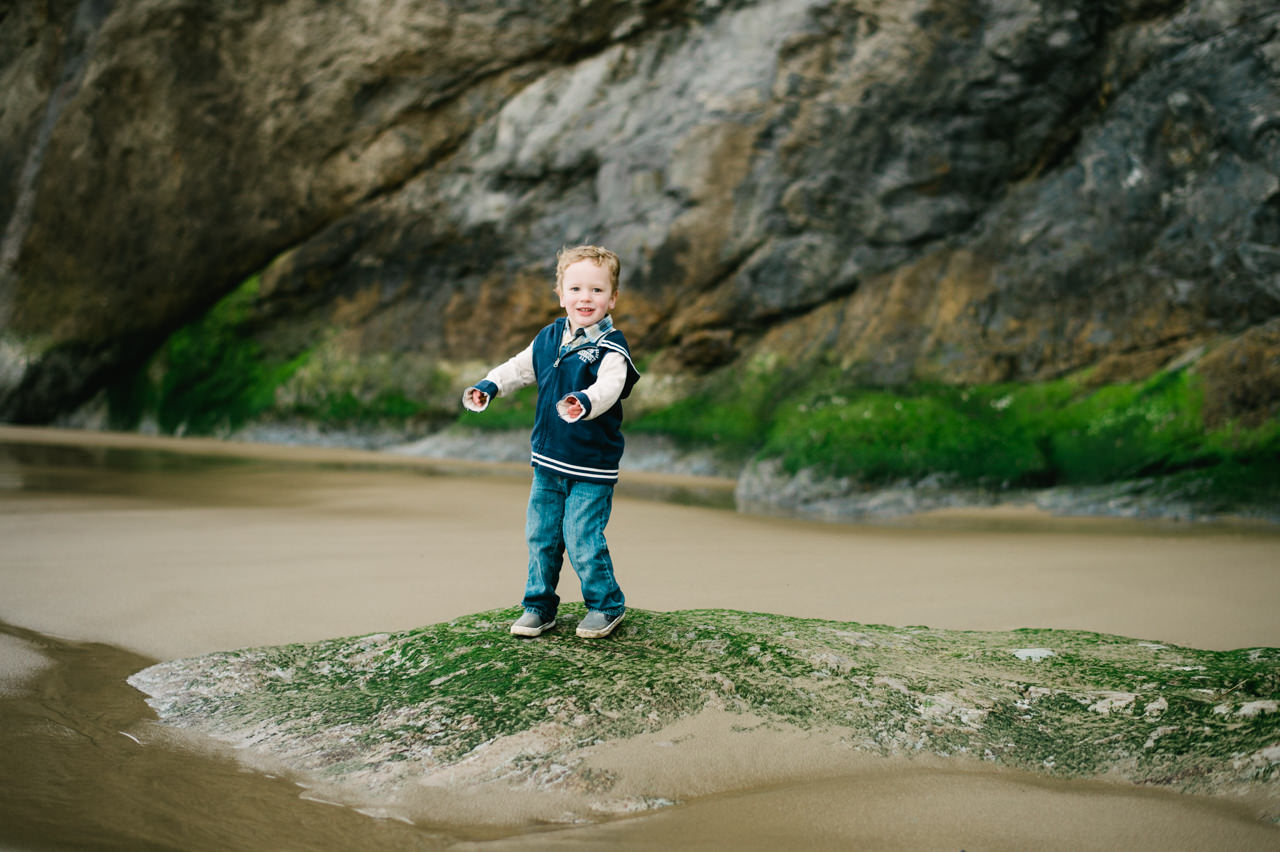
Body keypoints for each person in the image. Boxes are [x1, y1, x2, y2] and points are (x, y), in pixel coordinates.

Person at [463, 245, 641, 639]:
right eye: (575, 288)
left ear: (612, 298)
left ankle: (605, 603)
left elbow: (611, 387)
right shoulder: (547, 339)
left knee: (581, 536)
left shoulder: (611, 348)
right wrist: (490, 385)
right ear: (560, 294)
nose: (585, 298)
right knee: (541, 535)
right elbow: (518, 369)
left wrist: (586, 401)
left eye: (596, 291)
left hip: (591, 465)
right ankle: (538, 606)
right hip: (547, 462)